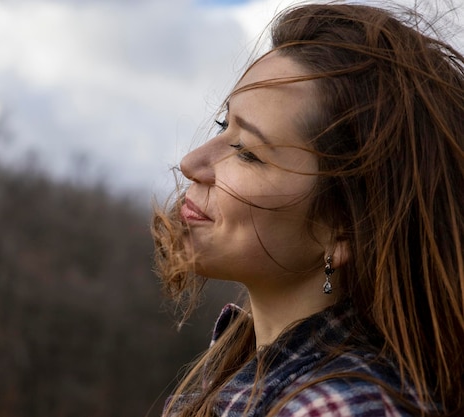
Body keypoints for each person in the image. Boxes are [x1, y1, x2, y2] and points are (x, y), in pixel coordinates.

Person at [151, 2, 464, 416]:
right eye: (223, 126)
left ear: (342, 228)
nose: (191, 163)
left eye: (247, 151)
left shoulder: (338, 408)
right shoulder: (245, 374)